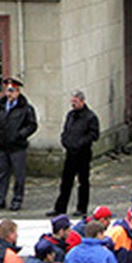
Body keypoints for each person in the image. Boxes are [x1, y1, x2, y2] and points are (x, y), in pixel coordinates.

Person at [0, 78, 37, 211]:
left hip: (17, 147)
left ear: (17, 92)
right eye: (7, 91)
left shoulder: (25, 108)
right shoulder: (0, 105)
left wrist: (20, 135)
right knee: (2, 173)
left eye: (12, 91)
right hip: (3, 145)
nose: (9, 94)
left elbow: (32, 125)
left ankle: (17, 199)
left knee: (19, 175)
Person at [50, 90, 100, 218]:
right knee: (66, 182)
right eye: (72, 102)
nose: (73, 104)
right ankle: (60, 207)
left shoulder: (90, 117)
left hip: (83, 153)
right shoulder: (70, 115)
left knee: (83, 182)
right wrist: (65, 140)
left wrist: (80, 143)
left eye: (75, 102)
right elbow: (66, 130)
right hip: (70, 152)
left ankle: (82, 208)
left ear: (82, 102)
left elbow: (94, 135)